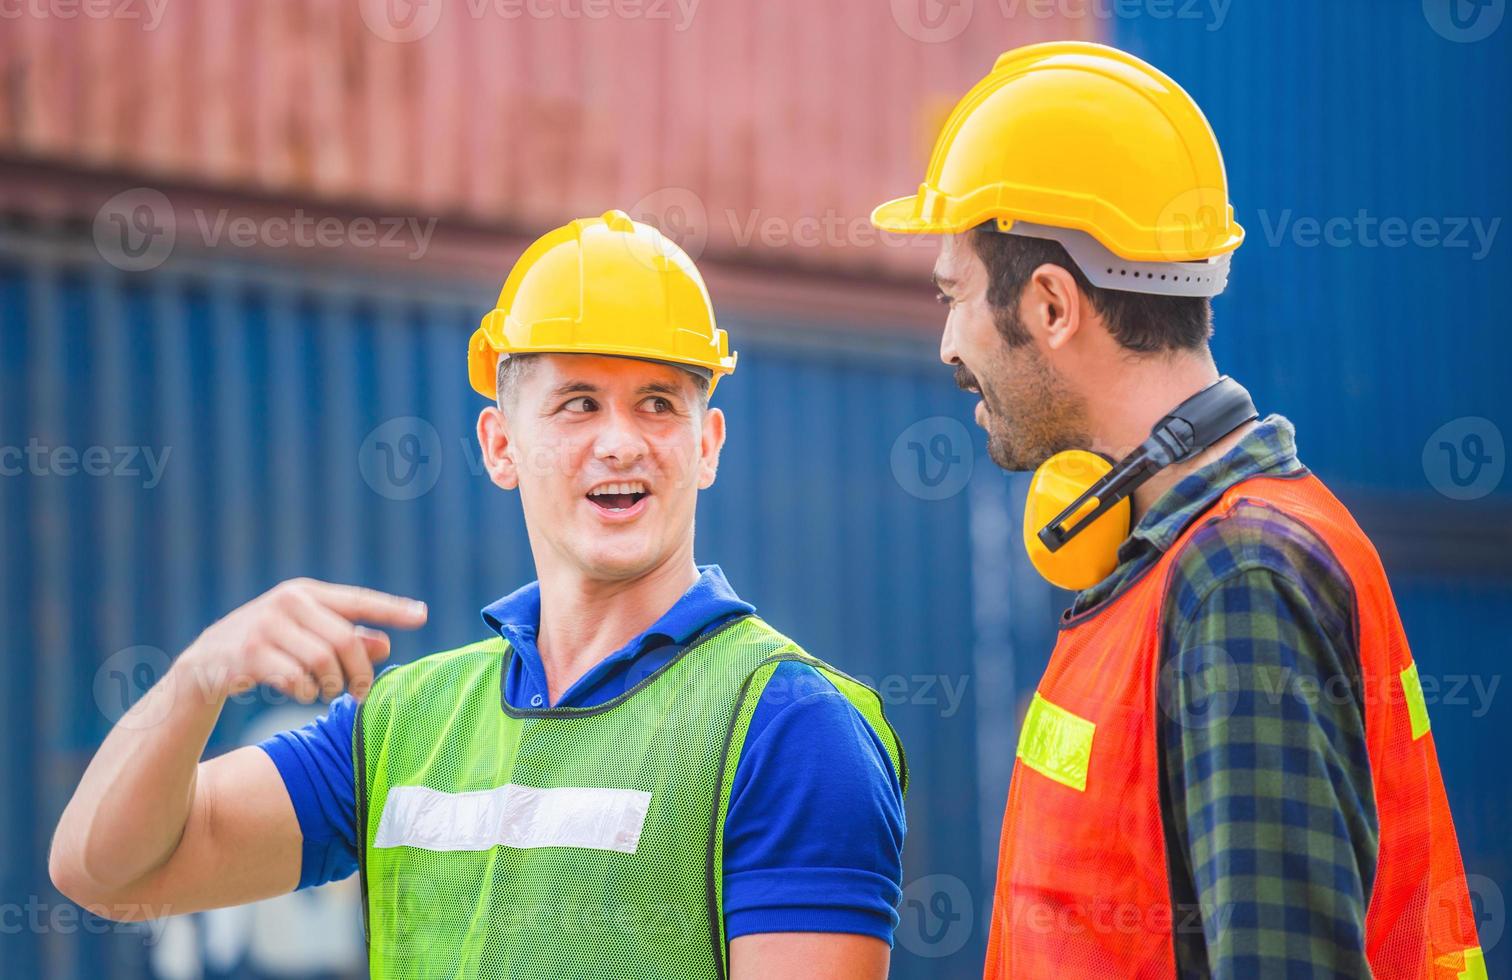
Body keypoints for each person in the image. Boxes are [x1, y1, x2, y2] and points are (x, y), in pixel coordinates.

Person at [51, 210, 908, 979]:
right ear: (500, 446)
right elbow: (106, 872)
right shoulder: (403, 725)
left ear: (707, 444)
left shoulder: (788, 725)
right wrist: (198, 677)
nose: (621, 442)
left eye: (657, 403)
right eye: (578, 403)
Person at [871, 41, 1484, 979]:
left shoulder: (1239, 581)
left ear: (1050, 306)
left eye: (953, 293)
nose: (949, 340)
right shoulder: (1180, 558)